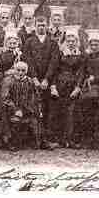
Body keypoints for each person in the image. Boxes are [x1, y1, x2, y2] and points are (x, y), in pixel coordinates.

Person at [22, 16, 59, 149]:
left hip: (47, 81)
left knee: (47, 110)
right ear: (35, 26)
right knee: (33, 109)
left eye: (43, 25)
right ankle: (33, 139)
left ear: (47, 26)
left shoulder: (53, 43)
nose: (41, 27)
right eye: (39, 25)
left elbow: (54, 62)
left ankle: (45, 139)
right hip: (33, 80)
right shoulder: (29, 42)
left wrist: (46, 79)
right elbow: (27, 60)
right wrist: (34, 78)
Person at [49, 26, 83, 148]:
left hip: (72, 86)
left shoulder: (80, 55)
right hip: (59, 85)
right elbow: (54, 70)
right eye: (68, 41)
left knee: (72, 113)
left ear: (76, 41)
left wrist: (78, 88)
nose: (71, 43)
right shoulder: (60, 53)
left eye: (73, 41)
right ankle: (56, 139)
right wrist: (53, 86)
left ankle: (70, 140)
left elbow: (81, 73)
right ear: (65, 41)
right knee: (56, 111)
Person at [2, 61, 40, 151]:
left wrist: (34, 110)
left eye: (23, 70)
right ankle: (12, 142)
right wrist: (15, 110)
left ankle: (35, 141)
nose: (20, 73)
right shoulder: (8, 81)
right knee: (15, 121)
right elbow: (5, 98)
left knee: (35, 121)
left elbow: (34, 97)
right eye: (18, 70)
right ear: (14, 70)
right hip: (11, 110)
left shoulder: (29, 81)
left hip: (26, 109)